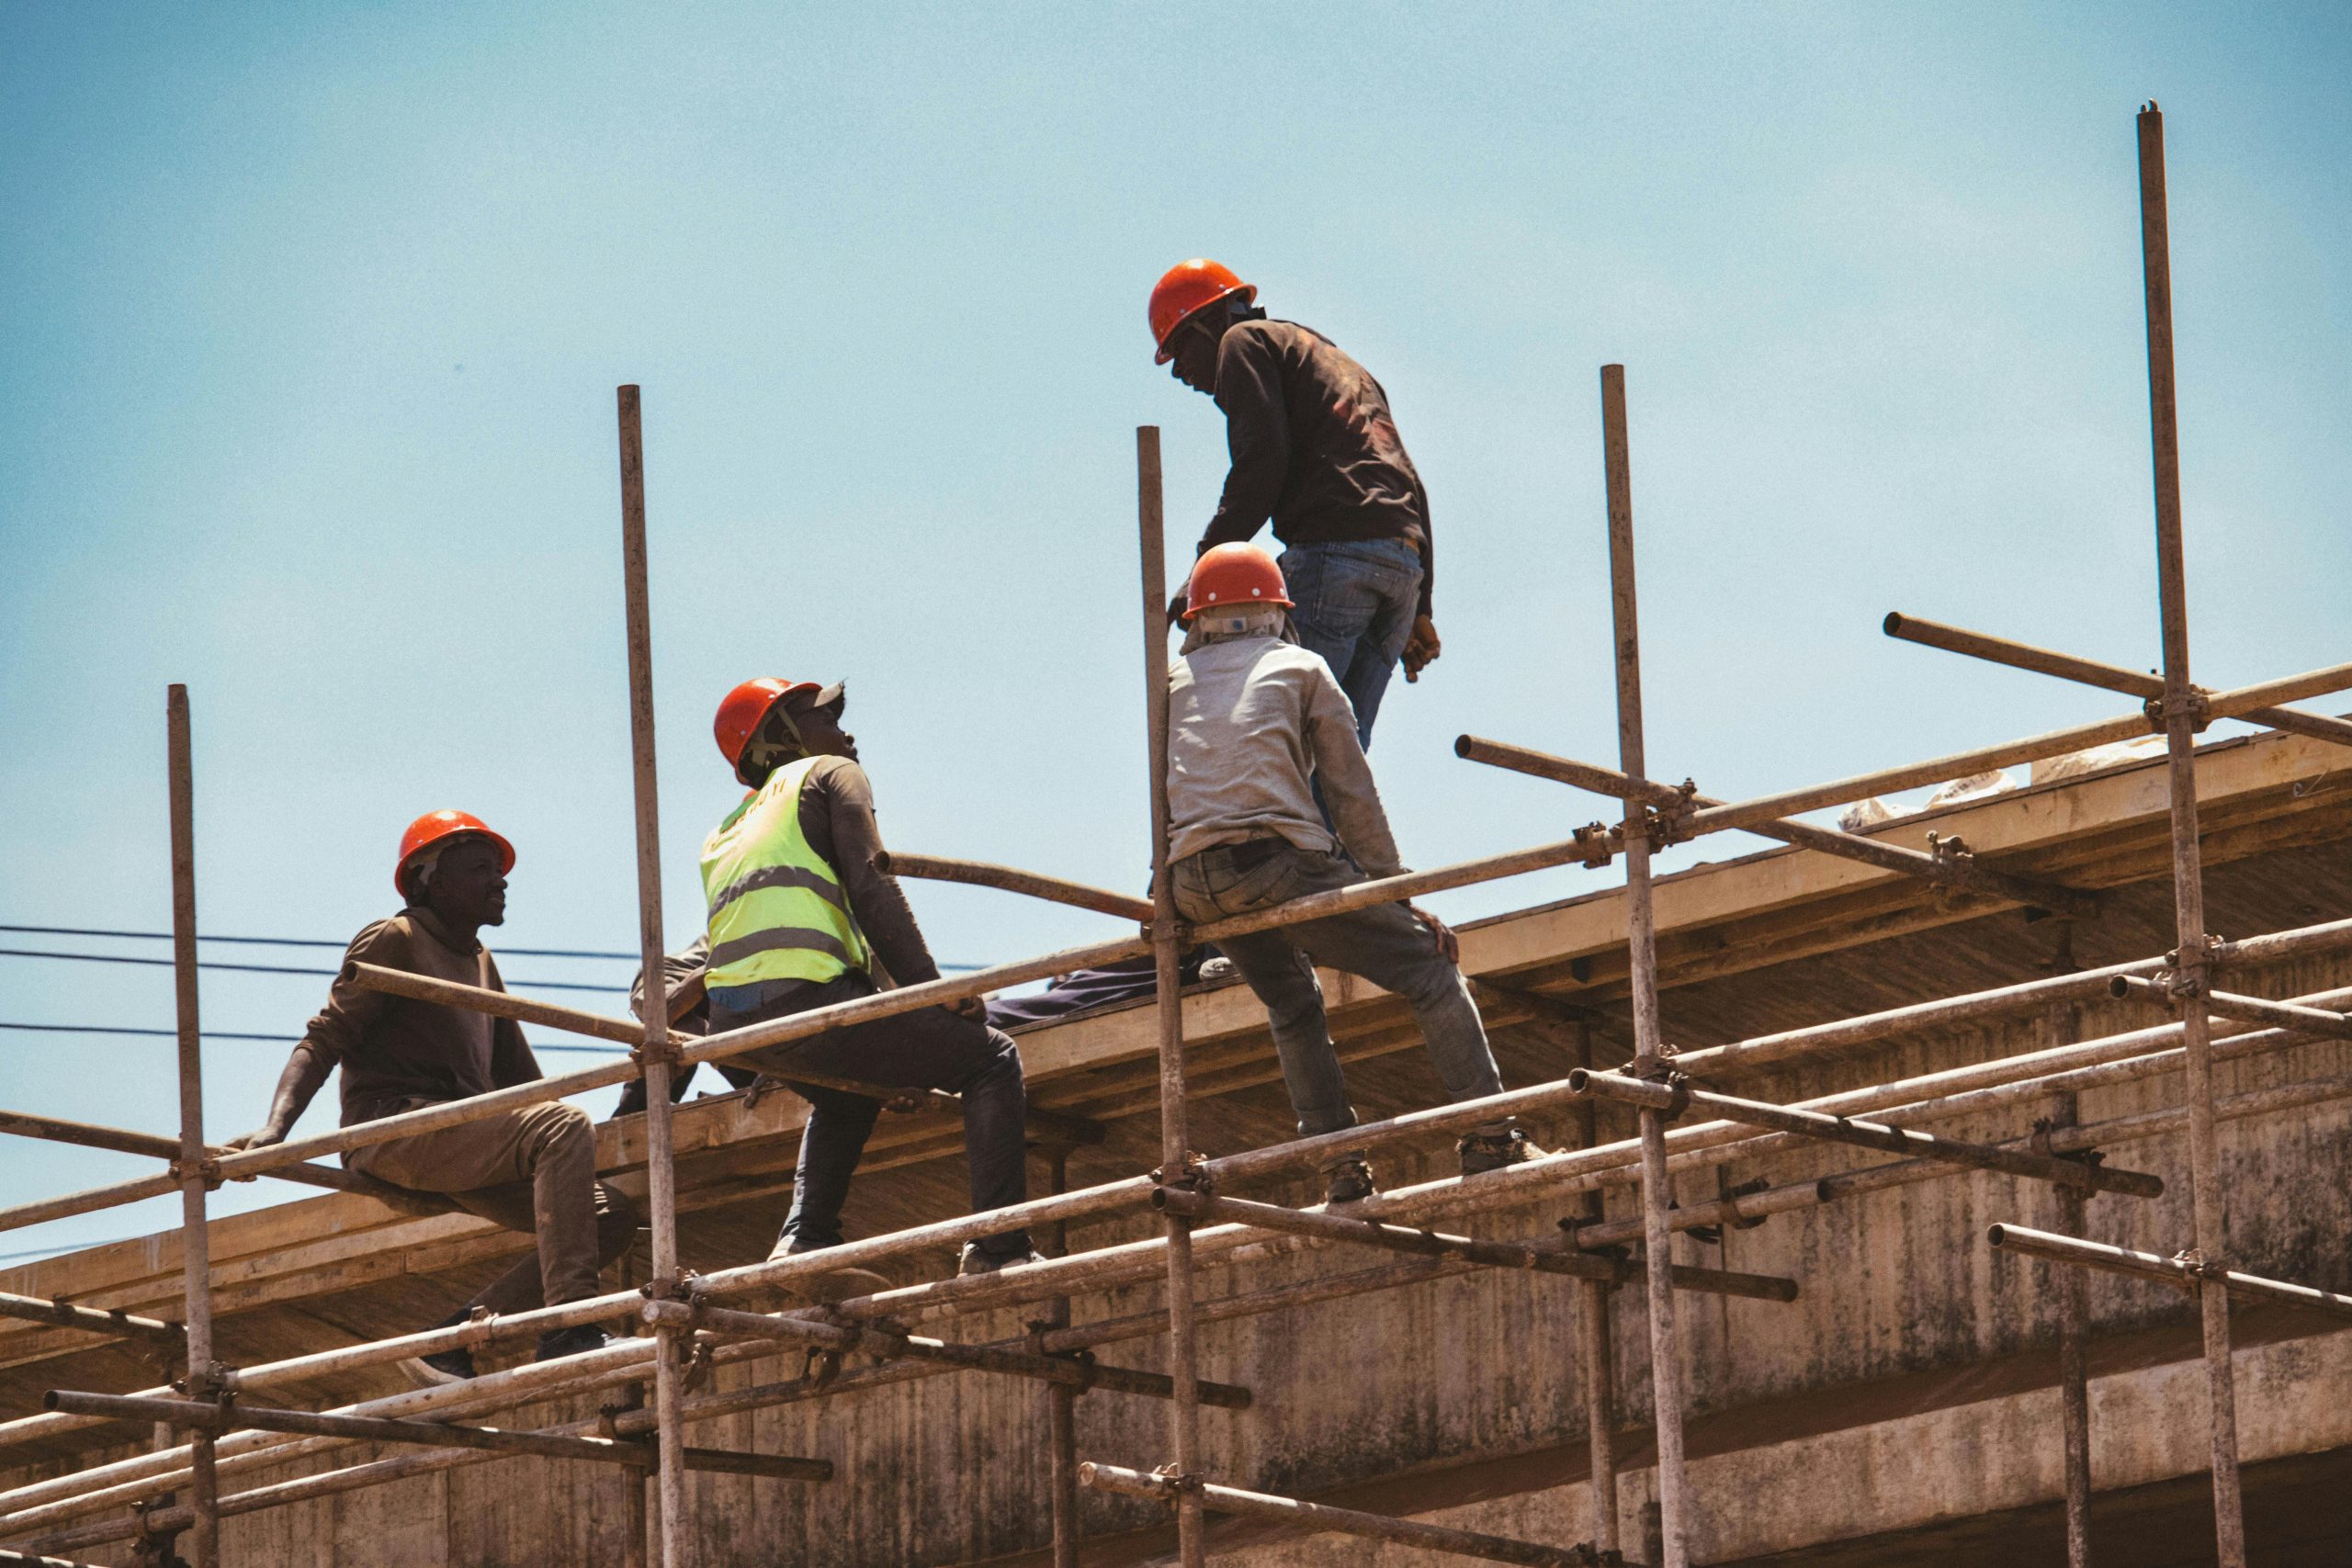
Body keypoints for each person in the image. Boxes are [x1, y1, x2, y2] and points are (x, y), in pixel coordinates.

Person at [1163, 545, 1542, 1204]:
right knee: (1428, 967)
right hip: (1276, 859)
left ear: (1199, 619)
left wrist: (1168, 904)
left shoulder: (1167, 685)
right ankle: (1491, 1135)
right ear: (1277, 611)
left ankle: (1338, 1163)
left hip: (1192, 883)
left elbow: (1161, 797)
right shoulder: (1300, 666)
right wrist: (1398, 894)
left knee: (1291, 1002)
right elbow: (1350, 792)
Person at [228, 810, 639, 1385]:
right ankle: (569, 1324)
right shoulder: (397, 937)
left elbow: (526, 1085)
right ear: (431, 881)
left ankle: (454, 1340)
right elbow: (324, 1038)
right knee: (559, 1125)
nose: (499, 882)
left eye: (499, 873)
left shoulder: (480, 964)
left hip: (459, 1138)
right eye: (479, 870)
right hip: (395, 1132)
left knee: (610, 1215)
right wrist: (275, 1133)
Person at [699, 676, 1039, 1293]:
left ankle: (804, 1239)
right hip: (808, 999)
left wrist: (902, 1038)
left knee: (848, 1094)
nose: (844, 730)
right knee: (991, 1058)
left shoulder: (727, 827)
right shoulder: (829, 773)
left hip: (735, 1031)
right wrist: (935, 994)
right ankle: (1000, 1243)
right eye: (822, 716)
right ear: (782, 735)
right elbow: (873, 888)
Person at [1151, 257, 1441, 750]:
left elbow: (1262, 462)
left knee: (1286, 742)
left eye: (1179, 350)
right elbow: (1406, 477)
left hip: (1336, 557)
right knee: (1340, 752)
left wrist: (1204, 570)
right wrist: (1421, 605)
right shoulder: (1335, 362)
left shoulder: (1242, 343)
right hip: (1401, 569)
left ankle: (1284, 829)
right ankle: (1327, 832)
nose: (1179, 373)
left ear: (1210, 324)